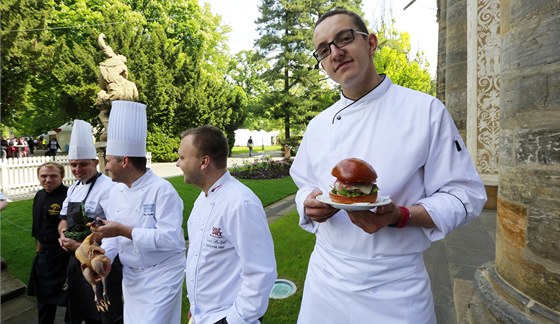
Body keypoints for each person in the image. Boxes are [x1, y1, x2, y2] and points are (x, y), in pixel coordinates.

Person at [289, 9, 487, 323]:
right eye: (324, 50)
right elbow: (303, 185)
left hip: (394, 288)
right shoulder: (318, 125)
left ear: (370, 43)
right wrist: (307, 203)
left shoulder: (425, 111)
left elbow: (465, 196)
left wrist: (400, 216)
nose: (336, 52)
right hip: (325, 281)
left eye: (344, 38)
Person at [92, 101, 186, 324]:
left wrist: (124, 230)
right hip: (132, 277)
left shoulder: (162, 190)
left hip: (162, 275)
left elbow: (170, 239)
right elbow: (112, 239)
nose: (105, 167)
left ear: (124, 161)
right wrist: (105, 261)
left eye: (108, 161)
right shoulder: (114, 192)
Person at [177, 125, 277, 324]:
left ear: (204, 162)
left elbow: (261, 272)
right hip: (201, 316)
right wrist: (196, 306)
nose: (177, 163)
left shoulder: (240, 203)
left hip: (226, 317)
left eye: (182, 157)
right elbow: (203, 258)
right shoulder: (201, 199)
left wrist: (234, 320)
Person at [58, 120, 123, 324]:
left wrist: (80, 246)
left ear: (95, 163)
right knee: (80, 307)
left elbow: (113, 230)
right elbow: (63, 219)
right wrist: (62, 235)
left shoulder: (108, 188)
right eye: (74, 165)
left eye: (83, 164)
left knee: (105, 311)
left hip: (100, 261)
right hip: (76, 259)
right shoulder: (73, 188)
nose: (77, 169)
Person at [27, 162, 70, 324]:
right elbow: (37, 223)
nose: (48, 180)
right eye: (43, 176)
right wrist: (39, 245)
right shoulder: (39, 195)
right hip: (44, 254)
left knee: (68, 298)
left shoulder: (69, 195)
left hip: (63, 255)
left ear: (62, 176)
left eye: (53, 176)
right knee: (43, 299)